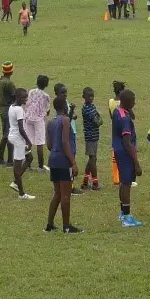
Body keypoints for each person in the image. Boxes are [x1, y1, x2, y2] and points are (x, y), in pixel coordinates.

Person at [45, 97, 81, 233]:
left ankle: (50, 224)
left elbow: (49, 145)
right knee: (66, 195)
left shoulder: (50, 122)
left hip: (53, 160)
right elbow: (65, 142)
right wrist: (73, 162)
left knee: (57, 194)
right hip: (63, 161)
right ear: (65, 107)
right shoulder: (65, 120)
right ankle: (66, 226)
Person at [112, 89, 143, 227]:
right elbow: (127, 142)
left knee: (123, 183)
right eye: (133, 100)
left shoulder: (118, 111)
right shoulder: (125, 119)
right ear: (127, 102)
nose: (135, 102)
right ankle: (127, 217)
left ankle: (122, 212)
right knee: (126, 184)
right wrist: (136, 163)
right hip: (125, 153)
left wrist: (129, 110)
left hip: (118, 151)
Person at [7, 88, 35, 200]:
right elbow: (21, 128)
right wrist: (28, 141)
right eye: (24, 97)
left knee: (29, 158)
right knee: (17, 166)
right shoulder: (18, 109)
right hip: (18, 139)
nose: (26, 99)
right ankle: (22, 194)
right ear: (18, 98)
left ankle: (15, 182)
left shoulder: (11, 106)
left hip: (13, 136)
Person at [78, 87, 103, 191]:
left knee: (92, 158)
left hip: (94, 136)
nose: (91, 98)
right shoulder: (87, 108)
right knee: (93, 159)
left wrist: (99, 119)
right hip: (90, 136)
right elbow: (98, 121)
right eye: (89, 96)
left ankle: (85, 181)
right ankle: (95, 183)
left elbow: (99, 118)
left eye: (92, 96)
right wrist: (99, 119)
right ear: (84, 97)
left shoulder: (91, 106)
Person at [25, 76, 52, 172]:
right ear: (46, 84)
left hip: (28, 118)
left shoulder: (31, 91)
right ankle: (40, 166)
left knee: (28, 141)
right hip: (38, 120)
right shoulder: (46, 96)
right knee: (39, 143)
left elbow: (27, 103)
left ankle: (27, 164)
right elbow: (48, 111)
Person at [0, 63, 17, 166]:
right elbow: (14, 96)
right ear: (11, 72)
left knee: (5, 134)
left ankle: (0, 158)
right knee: (9, 135)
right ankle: (9, 160)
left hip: (2, 109)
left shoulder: (0, 81)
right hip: (9, 108)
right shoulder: (9, 83)